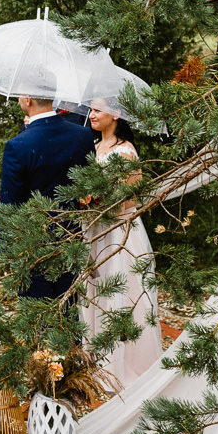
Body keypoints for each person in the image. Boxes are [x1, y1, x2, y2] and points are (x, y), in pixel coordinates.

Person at [83, 101, 164, 386]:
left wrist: (99, 199)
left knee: (119, 292)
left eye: (97, 110)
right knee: (94, 290)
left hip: (119, 232)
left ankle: (121, 364)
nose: (91, 115)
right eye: (90, 110)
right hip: (94, 230)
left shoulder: (126, 151)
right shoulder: (92, 147)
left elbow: (131, 199)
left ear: (115, 114)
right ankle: (93, 358)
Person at [0, 95, 98, 305]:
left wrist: (2, 256)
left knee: (35, 321)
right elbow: (90, 186)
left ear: (28, 99)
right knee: (69, 314)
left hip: (32, 247)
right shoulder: (82, 135)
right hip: (71, 240)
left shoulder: (17, 146)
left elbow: (9, 208)